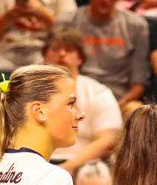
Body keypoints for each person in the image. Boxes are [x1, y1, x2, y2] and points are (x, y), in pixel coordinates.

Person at [56, 0, 150, 114]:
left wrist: (113, 107)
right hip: (73, 96)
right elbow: (54, 69)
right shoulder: (66, 22)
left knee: (136, 109)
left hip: (118, 100)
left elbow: (138, 84)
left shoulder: (136, 26)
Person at [42, 29, 123, 173]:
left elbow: (107, 139)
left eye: (69, 50)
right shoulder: (28, 91)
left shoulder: (98, 92)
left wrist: (69, 167)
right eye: (55, 49)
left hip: (83, 166)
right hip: (37, 162)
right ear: (44, 55)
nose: (61, 54)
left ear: (80, 58)